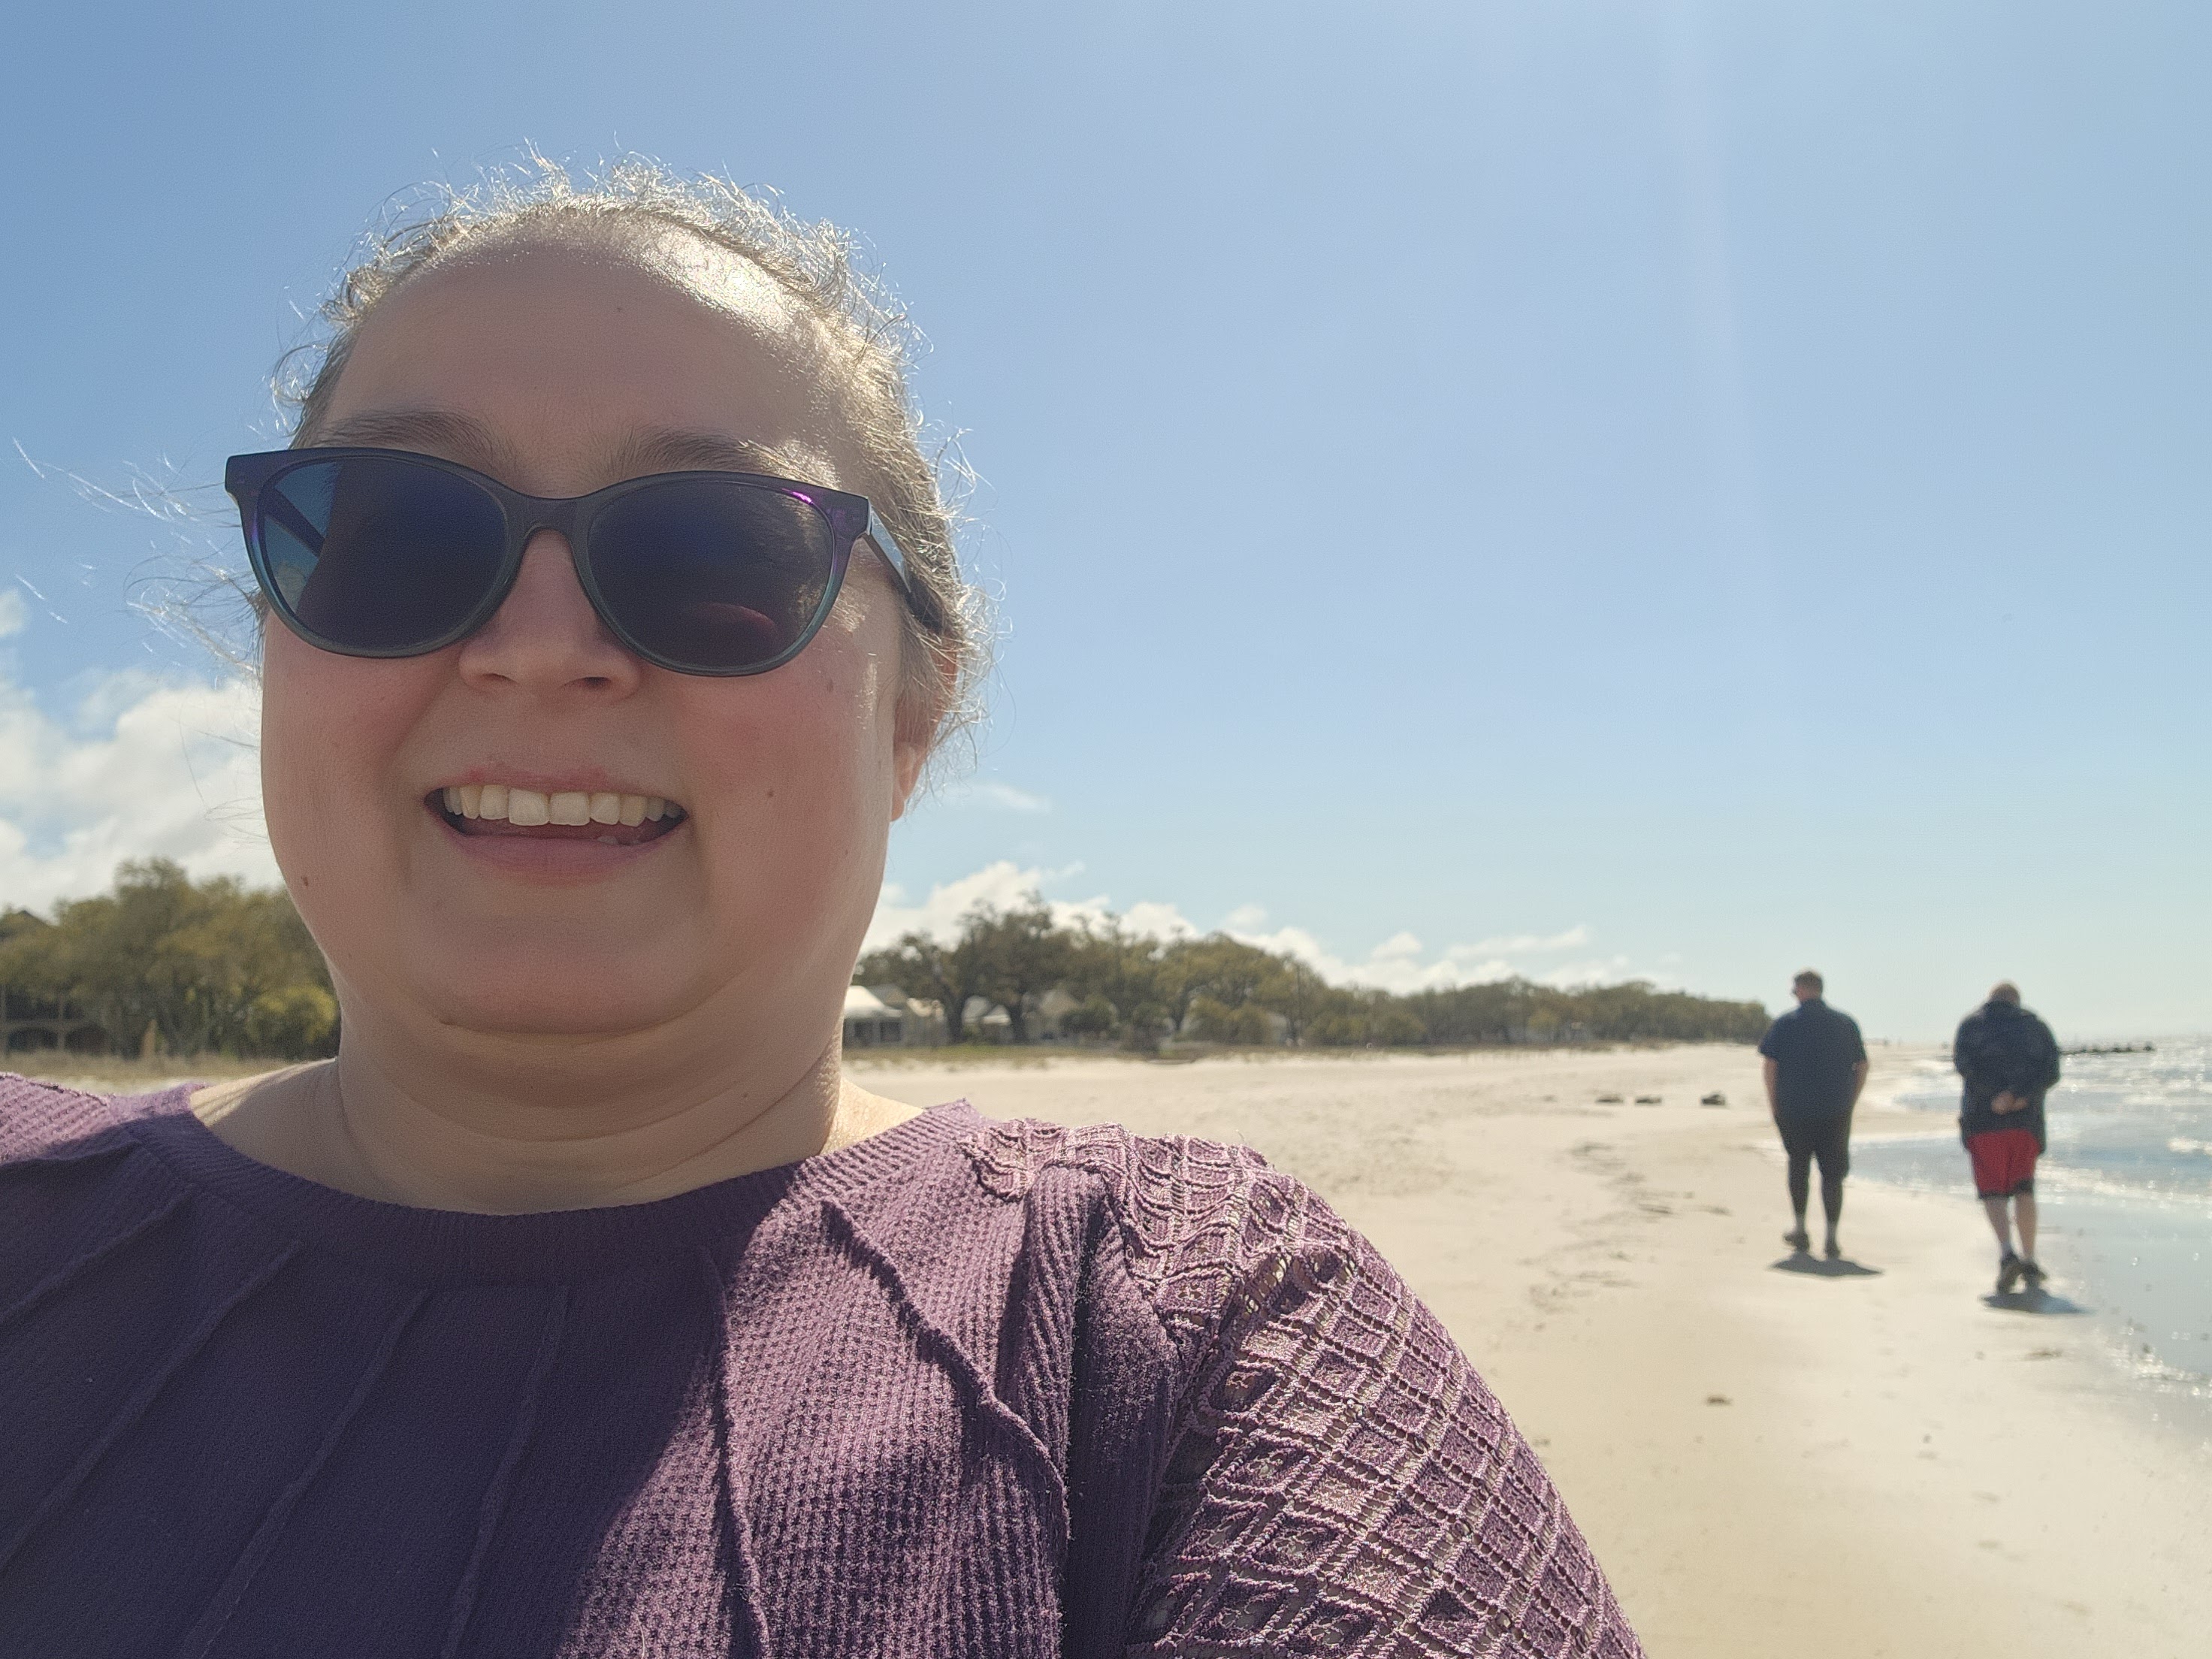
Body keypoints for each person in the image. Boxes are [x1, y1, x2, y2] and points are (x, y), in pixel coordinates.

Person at [0, 165, 1642, 1657]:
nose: (538, 646)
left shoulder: (1185, 1324)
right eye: (398, 537)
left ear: (911, 716)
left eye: (715, 555)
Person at [1954, 981, 2062, 1295]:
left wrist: (1997, 1097)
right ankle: (2029, 1258)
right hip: (2025, 1122)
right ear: (2016, 1000)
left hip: (1984, 1120)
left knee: (1993, 1192)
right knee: (2024, 1188)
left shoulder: (1971, 1025)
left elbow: (1965, 1067)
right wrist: (2020, 1096)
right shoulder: (2035, 1026)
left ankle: (2007, 1253)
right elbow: (2051, 1071)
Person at [1757, 969, 1869, 1259]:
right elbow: (1862, 1065)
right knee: (1833, 1174)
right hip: (1836, 1109)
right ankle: (1831, 1237)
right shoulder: (1845, 1023)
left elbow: (1770, 1066)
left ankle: (1800, 1228)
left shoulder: (1785, 1023)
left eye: (1794, 990)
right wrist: (1851, 1101)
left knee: (1798, 1166)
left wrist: (1774, 1103)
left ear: (1802, 990)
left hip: (1794, 1109)